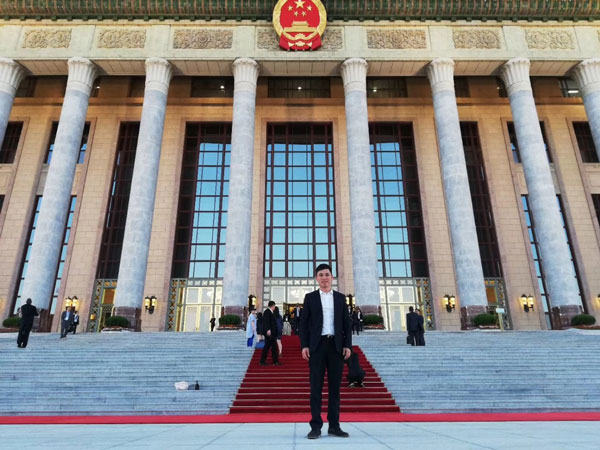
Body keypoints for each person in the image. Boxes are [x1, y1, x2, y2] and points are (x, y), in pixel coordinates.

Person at [300, 263, 351, 440]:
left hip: (336, 347)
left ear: (332, 277)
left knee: (334, 389)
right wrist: (304, 345)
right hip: (317, 346)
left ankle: (334, 426)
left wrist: (348, 345)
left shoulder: (340, 298)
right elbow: (303, 324)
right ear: (316, 278)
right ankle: (315, 427)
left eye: (327, 274)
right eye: (320, 275)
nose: (324, 278)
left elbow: (346, 324)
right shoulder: (310, 298)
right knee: (316, 388)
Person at [259, 301, 279, 366]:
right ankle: (263, 361)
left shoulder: (271, 312)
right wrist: (268, 329)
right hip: (269, 333)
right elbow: (266, 322)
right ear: (273, 306)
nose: (275, 307)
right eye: (274, 306)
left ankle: (275, 361)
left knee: (273, 347)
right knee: (267, 347)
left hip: (272, 333)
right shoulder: (267, 312)